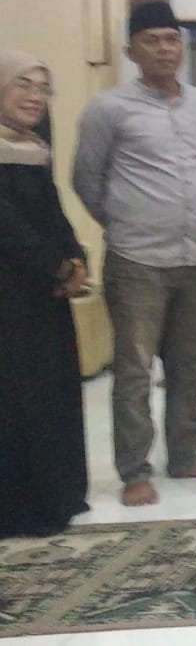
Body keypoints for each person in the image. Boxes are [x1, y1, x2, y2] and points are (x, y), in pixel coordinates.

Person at [73, 1, 196, 507]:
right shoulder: (108, 109)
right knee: (135, 370)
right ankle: (134, 471)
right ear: (131, 51)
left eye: (172, 39)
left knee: (191, 364)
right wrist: (125, 222)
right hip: (137, 262)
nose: (165, 49)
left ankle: (185, 456)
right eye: (152, 40)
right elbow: (86, 179)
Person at [0, 52, 90, 538]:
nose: (34, 97)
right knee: (16, 398)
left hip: (44, 296)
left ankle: (57, 494)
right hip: (9, 297)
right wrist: (57, 267)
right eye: (23, 85)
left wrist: (76, 257)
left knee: (51, 390)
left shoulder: (33, 147)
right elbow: (8, 227)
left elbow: (52, 212)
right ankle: (19, 508)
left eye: (42, 88)